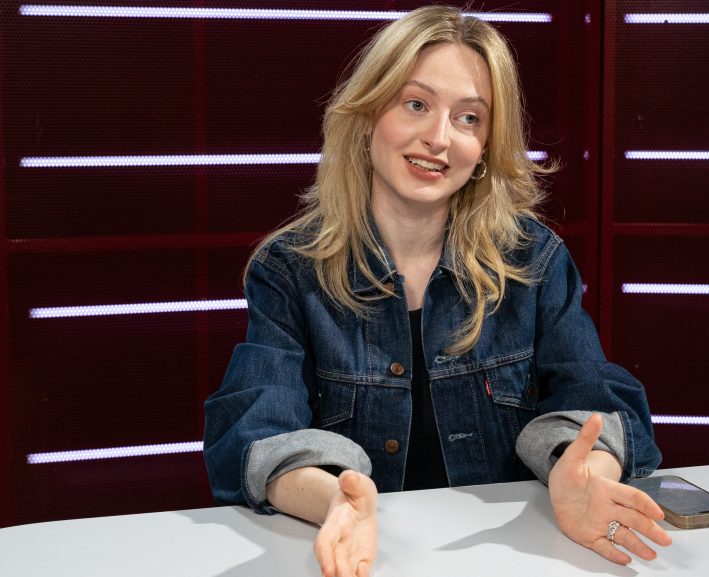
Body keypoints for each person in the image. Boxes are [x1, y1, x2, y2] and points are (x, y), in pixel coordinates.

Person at [203, 6, 671, 577]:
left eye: (469, 118)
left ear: (486, 145)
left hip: (506, 559)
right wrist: (336, 502)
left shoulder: (533, 259)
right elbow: (256, 431)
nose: (439, 138)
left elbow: (593, 399)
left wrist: (586, 476)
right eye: (416, 104)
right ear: (368, 113)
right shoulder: (290, 269)